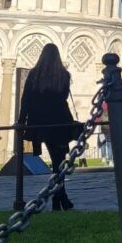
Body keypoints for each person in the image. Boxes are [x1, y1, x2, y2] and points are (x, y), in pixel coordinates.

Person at [18, 43, 77, 210]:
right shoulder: (63, 75)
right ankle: (60, 199)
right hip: (59, 122)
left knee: (57, 162)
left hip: (40, 123)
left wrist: (22, 121)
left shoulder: (34, 75)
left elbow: (26, 100)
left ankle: (60, 200)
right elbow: (64, 97)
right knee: (59, 161)